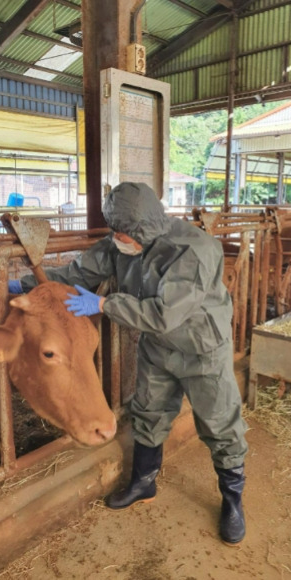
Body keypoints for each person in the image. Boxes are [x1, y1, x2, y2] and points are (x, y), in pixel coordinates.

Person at [15, 182, 248, 545]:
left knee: (219, 422)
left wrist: (105, 306)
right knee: (149, 412)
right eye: (115, 231)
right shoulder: (120, 244)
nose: (117, 238)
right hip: (157, 347)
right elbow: (76, 274)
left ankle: (233, 500)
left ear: (144, 228)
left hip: (201, 348)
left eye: (122, 233)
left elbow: (164, 314)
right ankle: (143, 482)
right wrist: (22, 285)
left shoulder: (196, 250)